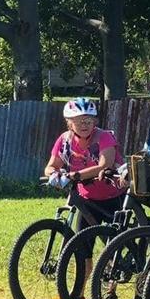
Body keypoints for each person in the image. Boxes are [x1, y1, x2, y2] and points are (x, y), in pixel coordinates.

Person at [43, 97, 125, 226]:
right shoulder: (65, 140)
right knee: (82, 243)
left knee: (116, 243)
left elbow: (103, 166)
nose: (84, 125)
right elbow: (51, 166)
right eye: (78, 121)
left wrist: (74, 175)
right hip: (87, 199)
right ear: (69, 123)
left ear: (94, 121)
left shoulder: (104, 137)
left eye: (88, 121)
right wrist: (54, 174)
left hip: (114, 196)